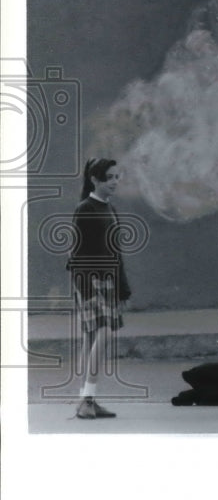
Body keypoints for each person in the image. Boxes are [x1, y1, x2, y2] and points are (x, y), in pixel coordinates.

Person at [67, 158, 132, 419]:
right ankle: (87, 399)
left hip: (108, 283)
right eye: (109, 177)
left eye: (117, 177)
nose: (114, 182)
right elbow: (76, 255)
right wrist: (87, 289)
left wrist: (122, 288)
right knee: (101, 334)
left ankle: (87, 400)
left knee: (93, 338)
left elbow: (117, 253)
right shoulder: (85, 209)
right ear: (95, 179)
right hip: (90, 282)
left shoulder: (110, 210)